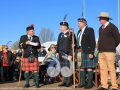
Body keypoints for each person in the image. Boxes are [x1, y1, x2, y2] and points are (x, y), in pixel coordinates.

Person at [97, 12, 120, 90]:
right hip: (101, 51)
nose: (99, 19)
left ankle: (114, 86)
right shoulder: (100, 28)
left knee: (111, 69)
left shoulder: (113, 27)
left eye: (101, 18)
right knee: (103, 69)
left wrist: (112, 47)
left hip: (110, 51)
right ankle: (104, 85)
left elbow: (118, 39)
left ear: (105, 19)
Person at [56, 15, 76, 87]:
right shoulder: (60, 35)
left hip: (67, 53)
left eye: (61, 27)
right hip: (61, 53)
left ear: (65, 27)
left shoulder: (71, 34)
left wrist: (71, 54)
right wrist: (57, 52)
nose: (60, 28)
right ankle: (64, 81)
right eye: (60, 26)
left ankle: (68, 82)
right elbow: (58, 44)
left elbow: (73, 44)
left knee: (68, 68)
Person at [75, 18, 96, 89]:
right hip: (80, 52)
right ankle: (83, 83)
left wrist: (91, 52)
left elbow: (93, 42)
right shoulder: (79, 32)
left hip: (87, 51)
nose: (78, 24)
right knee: (81, 68)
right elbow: (78, 42)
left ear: (83, 23)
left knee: (89, 68)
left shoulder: (89, 30)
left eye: (79, 23)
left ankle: (90, 84)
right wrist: (75, 45)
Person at [19, 24, 41, 88]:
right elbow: (20, 46)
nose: (33, 32)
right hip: (26, 55)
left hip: (34, 55)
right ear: (27, 32)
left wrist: (36, 44)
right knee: (26, 70)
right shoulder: (23, 37)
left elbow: (39, 46)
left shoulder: (36, 37)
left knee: (36, 69)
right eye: (32, 31)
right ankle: (27, 83)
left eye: (33, 31)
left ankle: (37, 83)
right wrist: (26, 43)